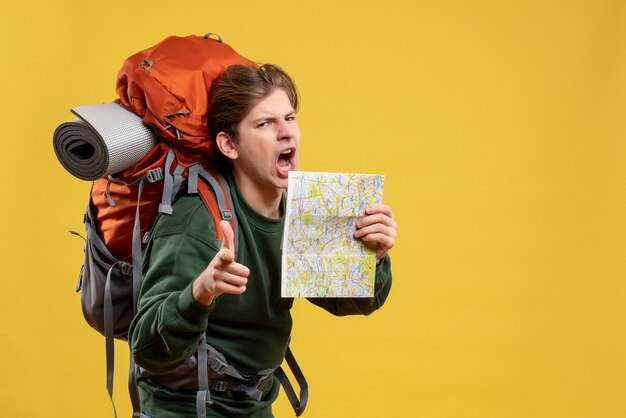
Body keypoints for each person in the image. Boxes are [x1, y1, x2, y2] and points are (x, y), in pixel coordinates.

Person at [129, 64, 398, 418]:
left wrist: (371, 257)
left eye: (289, 118)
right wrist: (200, 292)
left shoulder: (303, 210)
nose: (286, 133)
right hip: (185, 410)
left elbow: (350, 302)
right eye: (265, 124)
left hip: (254, 406)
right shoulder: (196, 219)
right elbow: (147, 349)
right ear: (229, 144)